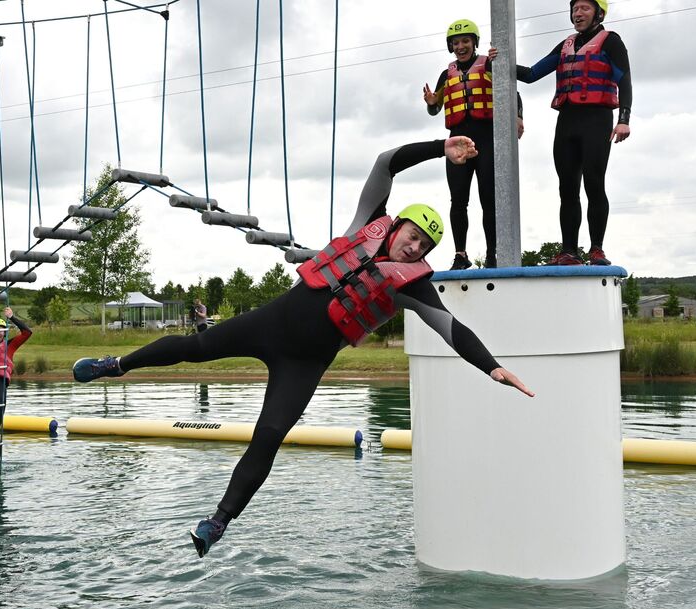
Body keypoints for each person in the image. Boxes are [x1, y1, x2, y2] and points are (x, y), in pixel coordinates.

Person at [72, 136, 535, 559]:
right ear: (397, 228)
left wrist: (493, 368)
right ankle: (117, 365)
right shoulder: (367, 223)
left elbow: (452, 330)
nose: (415, 248)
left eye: (425, 245)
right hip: (271, 324)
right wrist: (441, 148)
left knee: (268, 436)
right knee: (195, 346)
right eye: (413, 235)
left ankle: (217, 522)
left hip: (306, 363)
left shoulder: (414, 287)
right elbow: (384, 163)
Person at [515, 0, 631, 266]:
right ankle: (569, 251)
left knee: (593, 183)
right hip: (567, 121)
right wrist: (497, 64)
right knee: (567, 189)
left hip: (597, 119)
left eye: (584, 9)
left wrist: (624, 119)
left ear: (598, 14)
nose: (578, 14)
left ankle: (597, 249)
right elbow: (532, 74)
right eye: (575, 9)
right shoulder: (566, 44)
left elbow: (625, 79)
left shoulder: (611, 41)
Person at [423, 19, 524, 271]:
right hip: (458, 142)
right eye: (456, 43)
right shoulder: (446, 75)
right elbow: (435, 109)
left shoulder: (489, 63)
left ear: (474, 42)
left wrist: (518, 116)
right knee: (458, 201)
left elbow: (513, 91)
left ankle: (492, 255)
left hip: (487, 139)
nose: (461, 46)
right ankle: (460, 254)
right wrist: (431, 101)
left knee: (489, 199)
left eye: (465, 41)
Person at [0, 307, 32, 476]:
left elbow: (27, 333)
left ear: (4, 333)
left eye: (0, 331)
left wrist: (12, 317)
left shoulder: (9, 346)